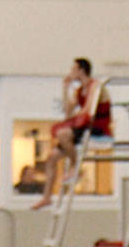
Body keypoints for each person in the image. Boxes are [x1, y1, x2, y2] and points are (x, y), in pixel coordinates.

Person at [33, 58, 110, 211]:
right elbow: (68, 113)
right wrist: (65, 88)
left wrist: (73, 121)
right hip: (82, 126)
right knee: (52, 157)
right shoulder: (78, 91)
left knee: (63, 133)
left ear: (81, 71)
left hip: (96, 125)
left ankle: (76, 168)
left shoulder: (96, 86)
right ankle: (47, 197)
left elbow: (88, 110)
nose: (70, 73)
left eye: (73, 69)